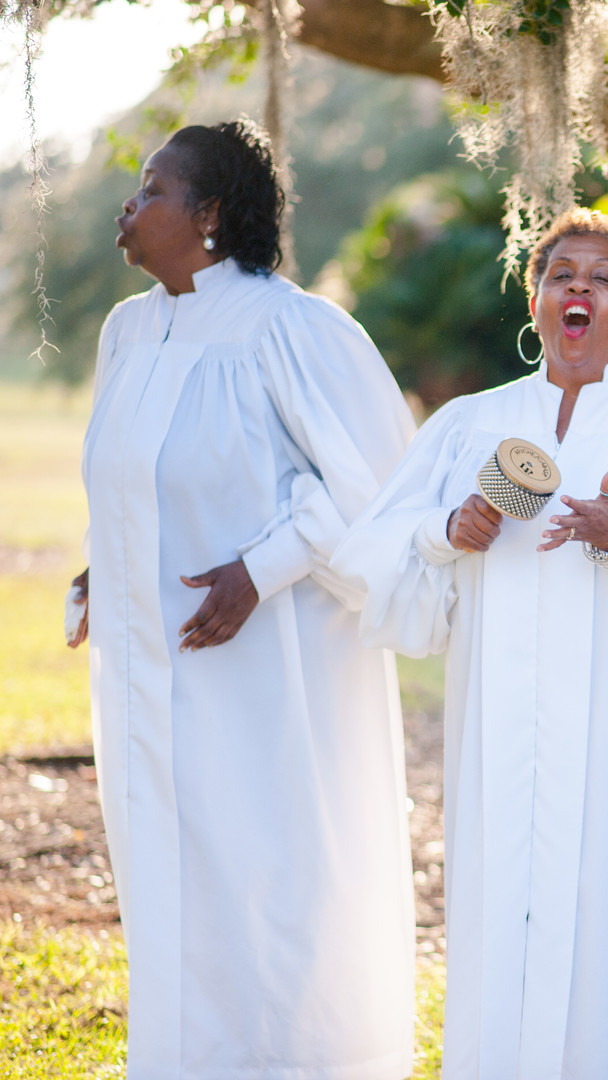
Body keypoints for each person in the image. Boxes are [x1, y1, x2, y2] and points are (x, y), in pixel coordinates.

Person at [332, 208, 608, 1079]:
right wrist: (449, 527)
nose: (580, 290)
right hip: (501, 729)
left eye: (603, 280)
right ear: (535, 298)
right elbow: (366, 551)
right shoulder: (470, 425)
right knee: (503, 907)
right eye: (563, 276)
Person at [68, 121, 417, 1077]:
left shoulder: (292, 329)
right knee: (170, 875)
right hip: (148, 669)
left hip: (263, 668)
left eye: (151, 191)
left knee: (265, 874)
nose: (128, 210)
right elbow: (130, 476)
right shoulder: (129, 330)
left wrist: (262, 570)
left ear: (210, 215)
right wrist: (105, 564)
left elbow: (371, 485)